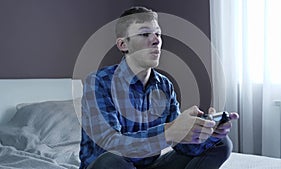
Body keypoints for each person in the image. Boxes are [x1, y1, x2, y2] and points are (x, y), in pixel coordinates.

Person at [79, 6, 239, 169]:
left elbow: (182, 145)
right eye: (144, 34)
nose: (156, 40)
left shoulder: (164, 85)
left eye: (158, 34)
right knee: (110, 160)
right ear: (123, 44)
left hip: (150, 165)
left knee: (220, 143)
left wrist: (206, 133)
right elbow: (109, 145)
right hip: (109, 165)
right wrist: (168, 132)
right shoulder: (98, 82)